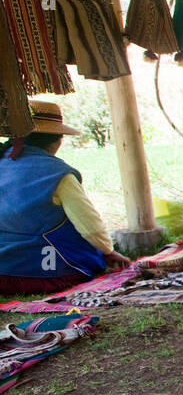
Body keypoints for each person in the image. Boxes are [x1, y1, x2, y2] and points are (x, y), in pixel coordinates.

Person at [0, 101, 132, 295]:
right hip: (42, 273)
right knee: (92, 254)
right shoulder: (59, 174)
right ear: (58, 141)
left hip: (3, 271)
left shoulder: (3, 163)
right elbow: (90, 228)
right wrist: (108, 251)